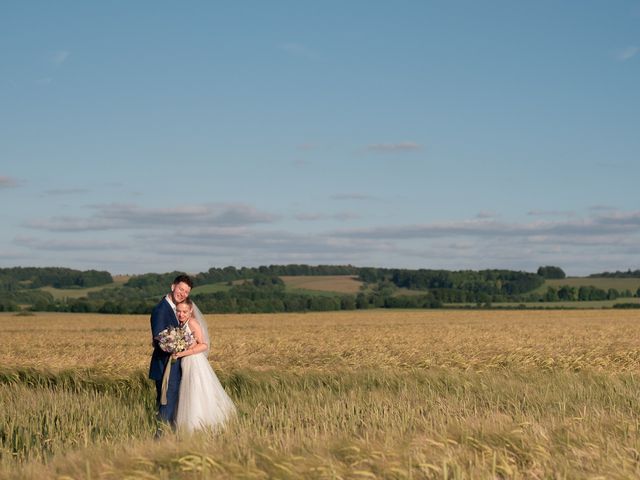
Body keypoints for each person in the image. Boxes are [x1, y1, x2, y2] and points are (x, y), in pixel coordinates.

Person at [173, 297, 236, 432]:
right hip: (186, 362)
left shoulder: (192, 323)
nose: (181, 314)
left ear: (190, 311)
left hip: (194, 362)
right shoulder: (180, 324)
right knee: (187, 391)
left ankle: (197, 424)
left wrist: (182, 353)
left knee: (196, 390)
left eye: (184, 311)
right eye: (178, 311)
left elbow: (203, 345)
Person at [149, 274, 193, 432]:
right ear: (172, 287)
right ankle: (159, 441)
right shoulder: (161, 310)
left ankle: (169, 439)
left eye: (187, 292)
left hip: (175, 365)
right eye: (181, 289)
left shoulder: (177, 309)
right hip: (166, 366)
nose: (183, 293)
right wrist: (178, 347)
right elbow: (160, 339)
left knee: (171, 406)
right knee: (166, 406)